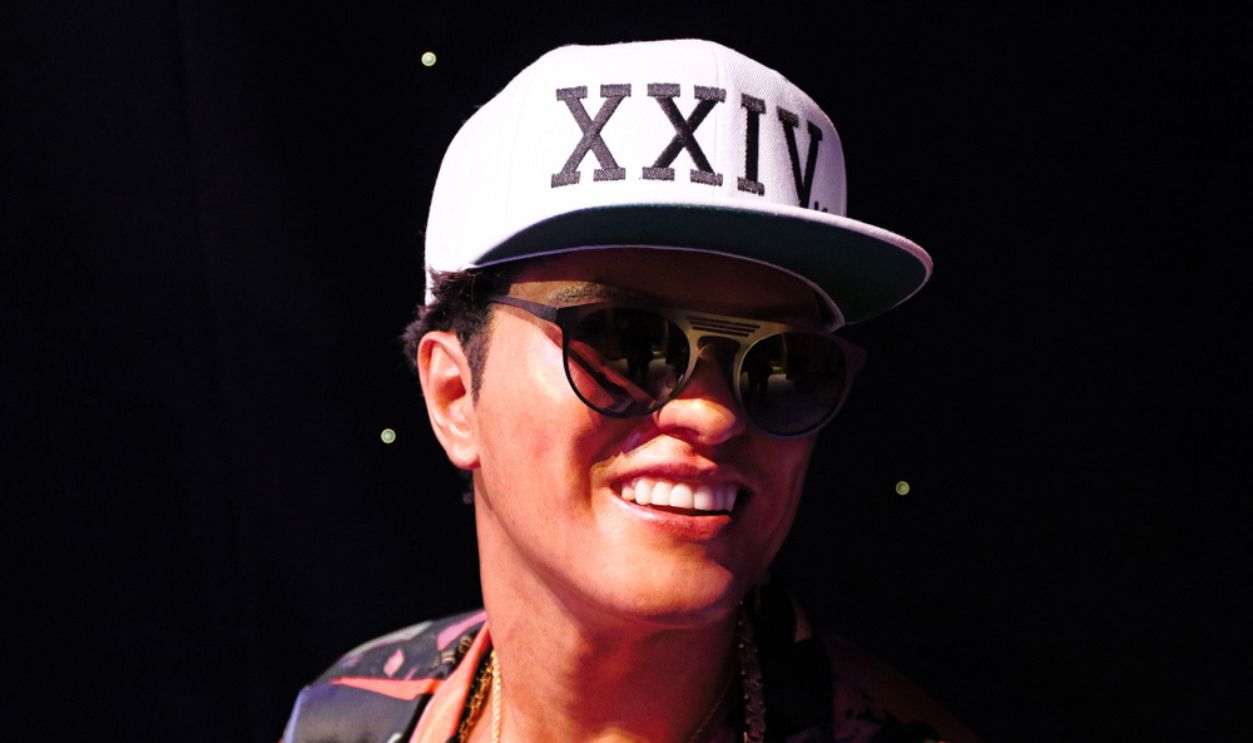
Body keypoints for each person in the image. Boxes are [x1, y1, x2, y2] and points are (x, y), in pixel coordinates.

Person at [282, 39, 975, 743]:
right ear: (456, 395)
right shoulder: (350, 715)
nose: (711, 413)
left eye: (783, 362)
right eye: (625, 343)